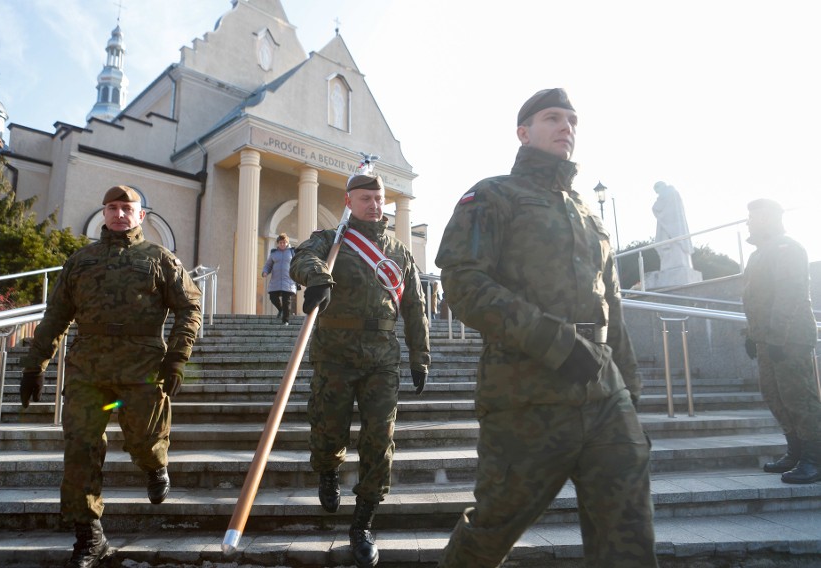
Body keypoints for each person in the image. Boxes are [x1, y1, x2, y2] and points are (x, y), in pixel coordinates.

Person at [435, 88, 658, 567]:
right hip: (526, 393)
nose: (567, 128)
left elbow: (611, 304)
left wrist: (629, 386)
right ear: (523, 132)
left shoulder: (586, 214)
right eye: (553, 118)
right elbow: (464, 284)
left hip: (604, 396)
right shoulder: (494, 195)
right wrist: (557, 343)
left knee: (628, 533)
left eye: (573, 120)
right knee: (494, 527)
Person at [20, 185, 202, 568]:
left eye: (126, 208)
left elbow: (190, 307)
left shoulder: (159, 258)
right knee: (80, 449)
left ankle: (155, 465)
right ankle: (89, 537)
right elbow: (56, 316)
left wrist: (177, 358)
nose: (119, 214)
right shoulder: (80, 261)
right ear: (104, 213)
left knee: (144, 440)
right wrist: (35, 364)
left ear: (141, 216)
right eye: (112, 208)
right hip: (88, 369)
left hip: (141, 368)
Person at [290, 169, 430, 568]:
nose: (374, 205)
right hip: (334, 352)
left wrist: (420, 356)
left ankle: (363, 521)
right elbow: (303, 256)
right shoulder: (330, 239)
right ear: (348, 202)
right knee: (327, 425)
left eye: (378, 198)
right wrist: (316, 277)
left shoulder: (399, 252)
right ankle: (328, 470)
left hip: (382, 358)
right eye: (364, 198)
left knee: (379, 439)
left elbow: (415, 308)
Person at [742, 198, 821, 484]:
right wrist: (750, 335)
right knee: (775, 397)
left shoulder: (788, 248)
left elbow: (790, 294)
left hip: (790, 339)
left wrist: (777, 336)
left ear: (770, 218)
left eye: (754, 216)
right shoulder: (759, 254)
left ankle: (815, 459)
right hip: (767, 339)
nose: (749, 221)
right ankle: (796, 452)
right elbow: (754, 300)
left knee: (799, 398)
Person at [652, 181, 693, 270]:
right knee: (673, 243)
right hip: (671, 224)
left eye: (657, 191)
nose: (657, 194)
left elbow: (657, 207)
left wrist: (656, 209)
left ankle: (673, 264)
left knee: (672, 243)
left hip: (670, 224)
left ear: (660, 187)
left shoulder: (667, 194)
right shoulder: (674, 193)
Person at [262, 232, 297, 324]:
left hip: (288, 281)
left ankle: (285, 321)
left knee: (286, 302)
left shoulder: (292, 252)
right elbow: (268, 265)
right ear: (278, 243)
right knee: (273, 297)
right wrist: (265, 271)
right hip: (275, 281)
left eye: (284, 242)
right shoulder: (274, 253)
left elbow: (297, 264)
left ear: (287, 243)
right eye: (280, 242)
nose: (282, 244)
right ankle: (280, 309)